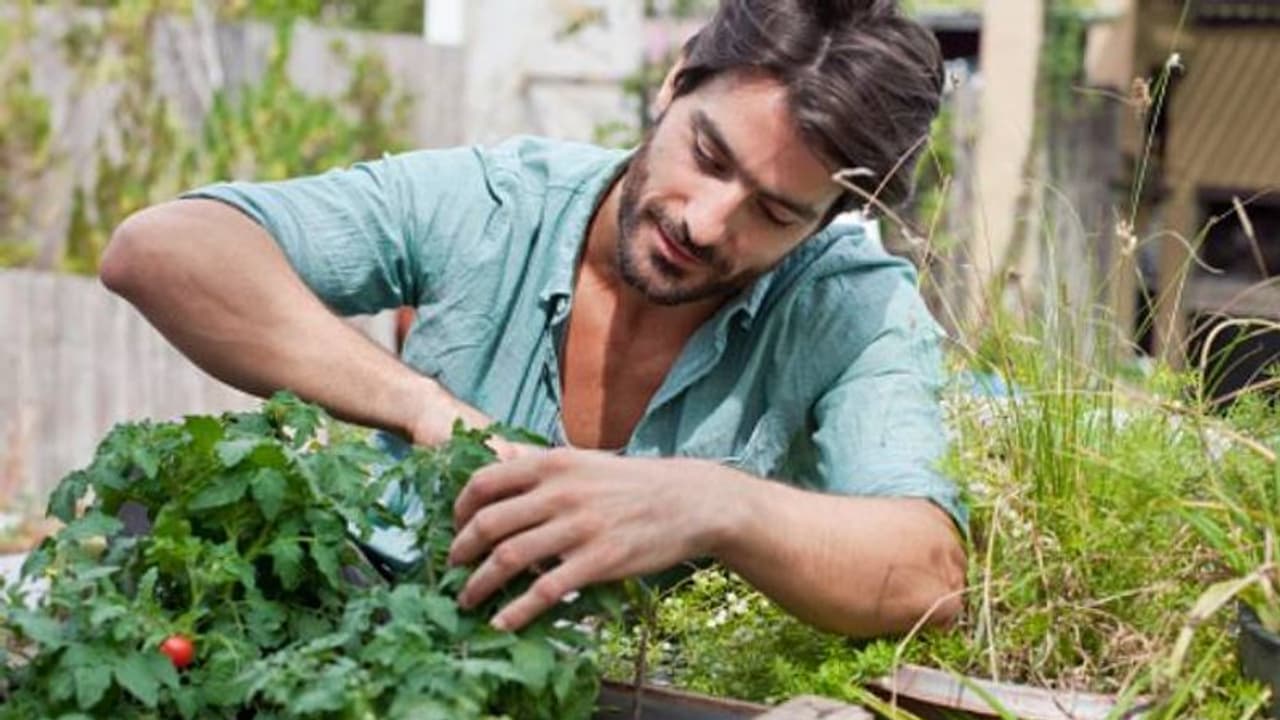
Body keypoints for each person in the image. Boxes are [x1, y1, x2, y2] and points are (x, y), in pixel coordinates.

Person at [100, 0, 967, 639]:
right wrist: (431, 413)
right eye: (707, 156)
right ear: (673, 86)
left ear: (824, 222)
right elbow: (165, 248)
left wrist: (713, 506)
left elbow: (927, 570)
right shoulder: (499, 202)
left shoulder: (849, 305)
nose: (706, 223)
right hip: (372, 649)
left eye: (774, 213)